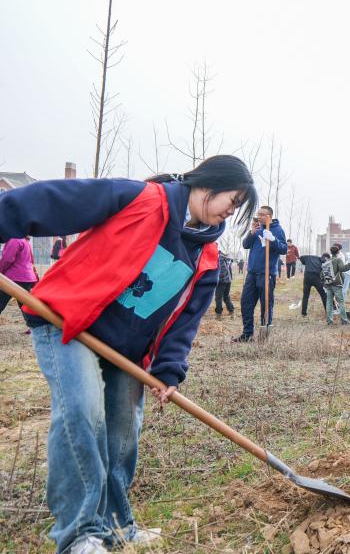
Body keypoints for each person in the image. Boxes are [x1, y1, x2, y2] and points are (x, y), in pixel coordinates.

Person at [0, 155, 256, 554]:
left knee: (123, 432)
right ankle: (80, 534)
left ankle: (117, 527)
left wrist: (169, 370)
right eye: (233, 200)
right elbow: (56, 201)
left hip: (127, 350)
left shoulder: (206, 257)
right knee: (82, 411)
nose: (231, 211)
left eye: (238, 206)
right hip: (68, 321)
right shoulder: (143, 199)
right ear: (209, 183)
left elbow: (185, 322)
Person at [235, 205, 287, 342]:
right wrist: (252, 232)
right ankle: (247, 334)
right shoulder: (257, 228)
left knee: (266, 305)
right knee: (246, 303)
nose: (259, 216)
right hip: (252, 273)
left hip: (267, 273)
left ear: (269, 216)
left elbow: (284, 249)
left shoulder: (277, 229)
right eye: (258, 214)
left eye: (262, 214)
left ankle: (264, 335)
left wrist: (274, 240)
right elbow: (245, 245)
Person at [0, 236, 39, 327]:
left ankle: (35, 326)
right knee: (26, 307)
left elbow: (7, 259)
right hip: (26, 278)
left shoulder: (15, 239)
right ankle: (35, 326)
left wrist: (0, 270)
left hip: (15, 278)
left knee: (1, 301)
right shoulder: (24, 240)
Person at [324, 244, 350, 325]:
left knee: (329, 302)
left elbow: (322, 273)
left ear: (331, 252)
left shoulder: (327, 260)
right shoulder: (338, 260)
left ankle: (329, 321)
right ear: (338, 252)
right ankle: (344, 320)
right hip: (336, 284)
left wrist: (324, 282)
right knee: (341, 302)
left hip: (328, 284)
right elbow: (342, 268)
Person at [297, 252, 328, 317]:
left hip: (307, 277)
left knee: (305, 296)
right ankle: (328, 312)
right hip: (316, 278)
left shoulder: (307, 257)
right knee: (323, 295)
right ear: (324, 257)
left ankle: (303, 313)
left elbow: (300, 257)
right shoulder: (321, 259)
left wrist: (305, 263)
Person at [214, 250, 234, 319]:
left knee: (218, 298)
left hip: (222, 281)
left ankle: (218, 314)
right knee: (226, 296)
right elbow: (229, 269)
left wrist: (218, 278)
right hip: (228, 280)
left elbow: (222, 271)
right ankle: (231, 310)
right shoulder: (226, 258)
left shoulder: (220, 258)